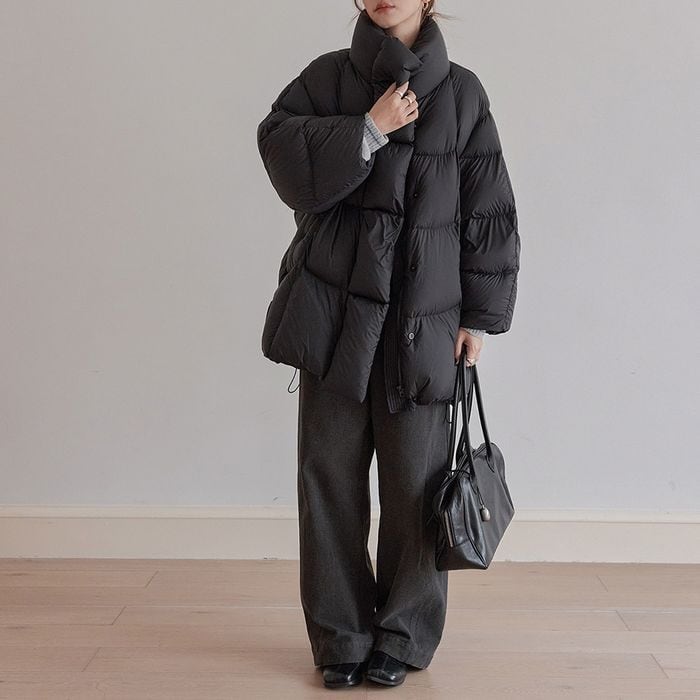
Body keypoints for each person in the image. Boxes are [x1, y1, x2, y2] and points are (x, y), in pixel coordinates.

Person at [257, 0, 520, 689]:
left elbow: (489, 208)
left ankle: (403, 636)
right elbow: (281, 154)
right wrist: (367, 130)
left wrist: (480, 318)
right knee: (328, 481)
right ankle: (340, 638)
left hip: (422, 323)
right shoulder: (325, 80)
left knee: (417, 485)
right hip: (336, 318)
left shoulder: (462, 94)